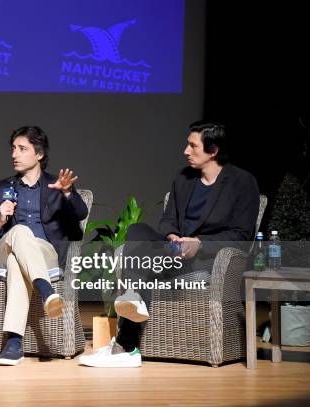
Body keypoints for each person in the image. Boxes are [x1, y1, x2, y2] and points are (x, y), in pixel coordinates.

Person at [78, 121, 259, 368]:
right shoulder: (183, 179)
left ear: (213, 150)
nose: (186, 151)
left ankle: (125, 345)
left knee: (140, 263)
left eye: (192, 145)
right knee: (137, 230)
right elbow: (167, 220)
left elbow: (242, 235)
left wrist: (200, 243)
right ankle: (133, 302)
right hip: (173, 253)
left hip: (209, 260)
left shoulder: (242, 182)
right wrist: (173, 236)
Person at [0, 126, 88, 366]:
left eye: (22, 149)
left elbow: (80, 213)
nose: (14, 154)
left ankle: (14, 342)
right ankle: (46, 291)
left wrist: (67, 193)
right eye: (13, 148)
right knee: (20, 232)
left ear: (39, 154)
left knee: (18, 263)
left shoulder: (57, 186)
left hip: (43, 253)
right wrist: (0, 220)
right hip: (6, 247)